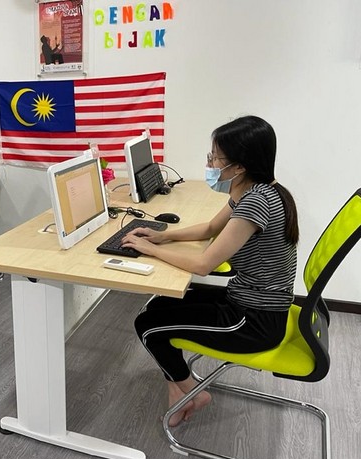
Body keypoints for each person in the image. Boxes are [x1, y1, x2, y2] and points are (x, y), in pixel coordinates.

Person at [122, 115, 299, 427]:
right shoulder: (258, 190)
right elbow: (209, 228)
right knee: (158, 306)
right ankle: (178, 390)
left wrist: (150, 250)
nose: (210, 164)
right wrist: (162, 236)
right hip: (247, 300)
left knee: (148, 327)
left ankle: (195, 392)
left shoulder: (255, 203)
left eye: (215, 158)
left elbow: (204, 265)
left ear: (239, 166)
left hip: (255, 321)